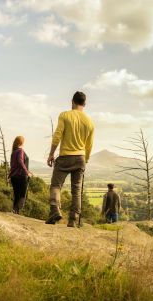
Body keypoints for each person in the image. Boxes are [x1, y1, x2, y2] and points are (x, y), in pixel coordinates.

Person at [46, 91, 94, 227]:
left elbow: (57, 136)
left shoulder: (65, 115)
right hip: (80, 157)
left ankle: (55, 210)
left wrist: (51, 154)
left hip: (65, 157)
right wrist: (86, 159)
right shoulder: (90, 122)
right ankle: (73, 221)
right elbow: (89, 145)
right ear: (84, 104)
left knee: (56, 185)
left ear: (72, 101)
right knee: (76, 190)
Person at [8, 136, 32, 214]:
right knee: (22, 195)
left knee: (17, 195)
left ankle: (15, 210)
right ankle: (16, 210)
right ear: (21, 142)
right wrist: (27, 172)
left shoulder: (13, 152)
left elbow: (13, 165)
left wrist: (9, 175)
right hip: (21, 176)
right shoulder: (21, 151)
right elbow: (20, 161)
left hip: (14, 177)